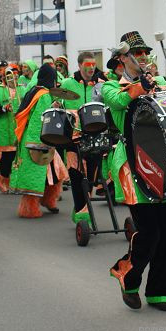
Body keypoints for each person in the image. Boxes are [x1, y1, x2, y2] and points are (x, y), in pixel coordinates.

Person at [103, 31, 166, 312]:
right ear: (121, 59)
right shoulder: (110, 87)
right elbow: (121, 102)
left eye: (144, 53)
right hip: (135, 164)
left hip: (165, 162)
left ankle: (162, 291)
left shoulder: (159, 82)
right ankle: (128, 274)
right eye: (136, 53)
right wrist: (142, 84)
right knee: (149, 232)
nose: (142, 57)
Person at [60, 51, 109, 225]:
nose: (91, 68)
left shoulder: (101, 85)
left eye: (93, 64)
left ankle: (82, 207)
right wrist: (58, 105)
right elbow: (57, 104)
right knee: (76, 175)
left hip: (95, 135)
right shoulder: (67, 83)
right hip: (74, 137)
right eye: (87, 65)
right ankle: (82, 212)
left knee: (91, 177)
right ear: (80, 65)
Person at [11, 64, 66, 218]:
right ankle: (29, 208)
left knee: (55, 172)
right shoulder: (43, 95)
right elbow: (38, 120)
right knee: (35, 177)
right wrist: (39, 144)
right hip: (38, 141)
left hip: (32, 139)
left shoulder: (34, 91)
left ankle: (48, 200)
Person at [0, 69, 21, 193]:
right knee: (7, 157)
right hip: (5, 128)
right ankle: (3, 180)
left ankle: (16, 182)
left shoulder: (22, 89)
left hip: (18, 127)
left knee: (18, 158)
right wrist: (3, 108)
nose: (13, 80)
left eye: (15, 77)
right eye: (10, 78)